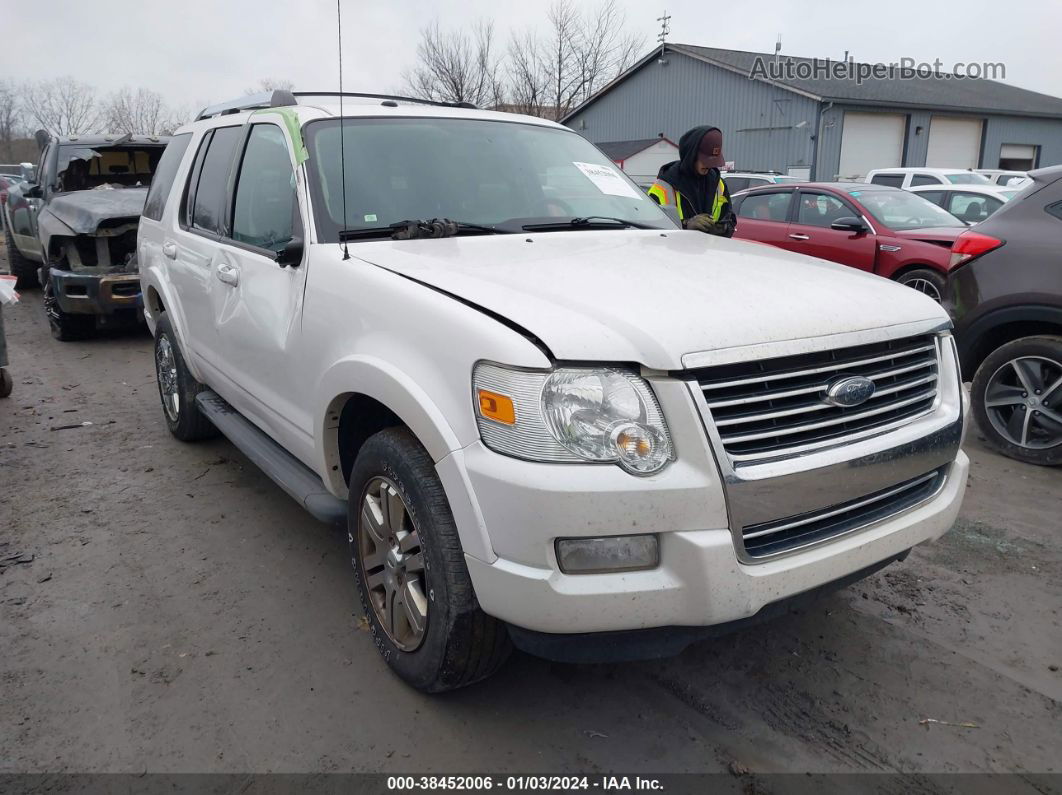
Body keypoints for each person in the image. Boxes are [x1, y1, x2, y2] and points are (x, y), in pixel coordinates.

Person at [648, 126, 736, 237]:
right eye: (705, 160)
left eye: (713, 160)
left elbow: (731, 222)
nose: (709, 165)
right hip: (674, 252)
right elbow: (650, 229)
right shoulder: (664, 187)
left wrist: (721, 229)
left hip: (710, 251)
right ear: (691, 155)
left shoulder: (719, 185)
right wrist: (686, 225)